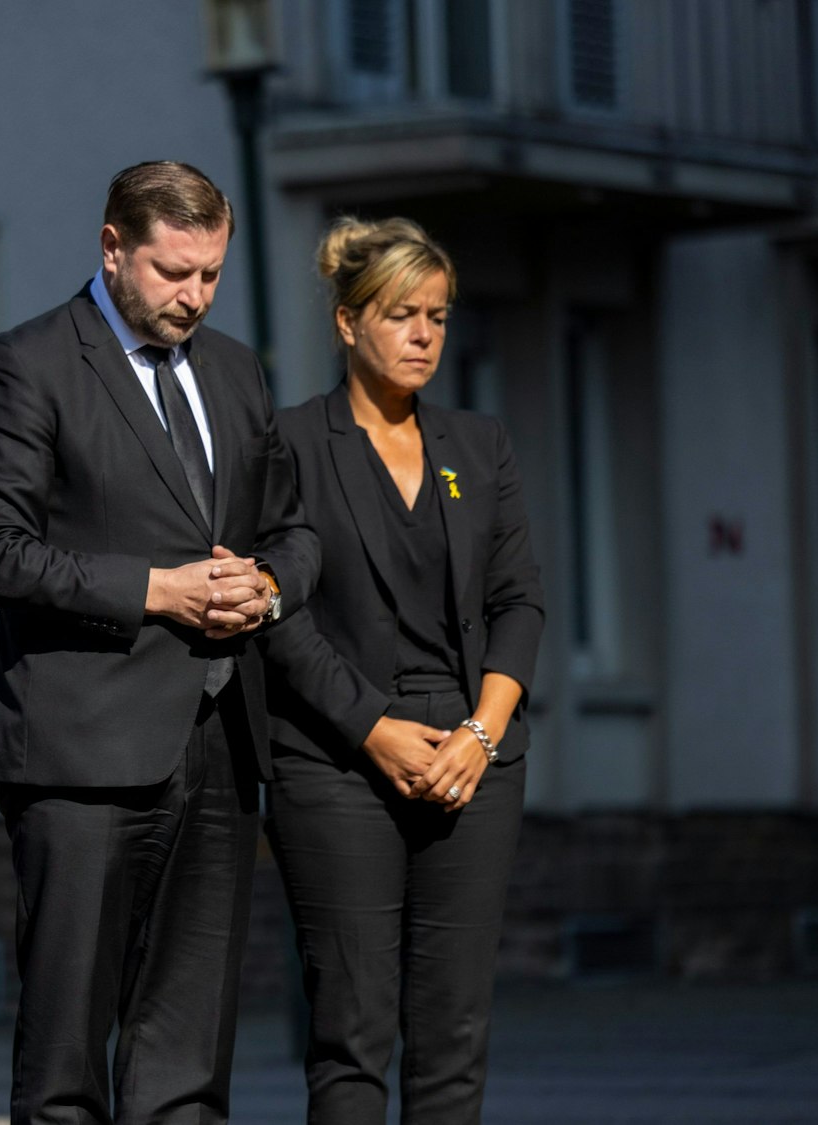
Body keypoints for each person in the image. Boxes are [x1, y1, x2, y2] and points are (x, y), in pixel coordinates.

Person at [0, 161, 319, 1123]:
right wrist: (158, 591)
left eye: (210, 275)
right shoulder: (24, 364)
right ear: (113, 248)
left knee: (190, 1064)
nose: (193, 296)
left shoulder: (238, 371)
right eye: (172, 272)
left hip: (222, 740)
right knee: (67, 1056)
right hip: (80, 750)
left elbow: (296, 529)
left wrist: (269, 585)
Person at [259, 217, 544, 1124]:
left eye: (438, 315)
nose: (424, 334)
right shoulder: (291, 443)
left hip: (471, 752)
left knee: (453, 1034)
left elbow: (519, 604)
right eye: (400, 314)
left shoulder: (479, 444)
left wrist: (481, 734)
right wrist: (373, 728)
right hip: (337, 753)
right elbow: (278, 613)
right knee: (352, 1032)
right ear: (348, 323)